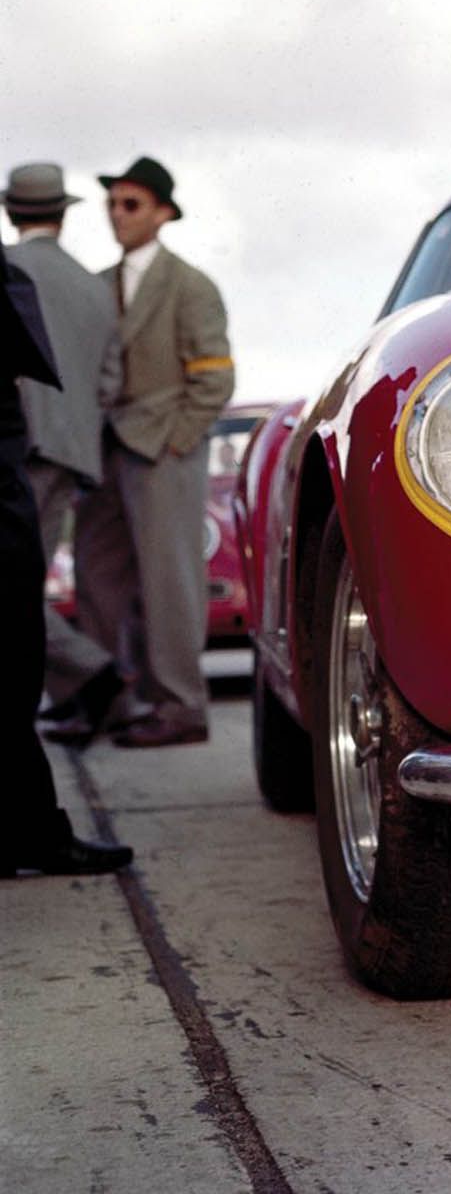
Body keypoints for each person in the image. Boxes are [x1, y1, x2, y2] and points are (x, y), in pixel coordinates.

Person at [72, 157, 234, 748]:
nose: (117, 214)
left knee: (169, 584)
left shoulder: (190, 285)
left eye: (131, 204)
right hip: (103, 450)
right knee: (95, 576)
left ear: (163, 213)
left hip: (163, 451)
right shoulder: (96, 285)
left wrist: (176, 442)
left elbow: (215, 378)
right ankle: (106, 700)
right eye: (112, 204)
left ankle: (181, 707)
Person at [0, 232, 134, 876]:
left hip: (25, 455)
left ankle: (27, 829)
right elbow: (107, 379)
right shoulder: (89, 284)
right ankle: (29, 830)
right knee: (13, 632)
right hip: (44, 455)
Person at [3, 164, 128, 747]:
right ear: (62, 212)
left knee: (14, 588)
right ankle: (82, 688)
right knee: (23, 582)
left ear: (10, 211)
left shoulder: (10, 267)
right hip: (70, 450)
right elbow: (109, 382)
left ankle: (95, 675)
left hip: (19, 445)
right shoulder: (94, 286)